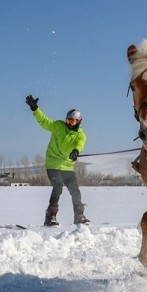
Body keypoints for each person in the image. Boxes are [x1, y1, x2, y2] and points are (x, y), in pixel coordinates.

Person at [25, 95, 90, 226]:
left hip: (67, 166)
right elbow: (44, 121)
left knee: (75, 190)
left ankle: (79, 215)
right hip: (53, 164)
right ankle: (50, 216)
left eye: (72, 122)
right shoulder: (58, 126)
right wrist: (35, 109)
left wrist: (76, 151)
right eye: (68, 121)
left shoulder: (80, 135)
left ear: (78, 122)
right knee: (58, 186)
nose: (68, 123)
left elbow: (80, 144)